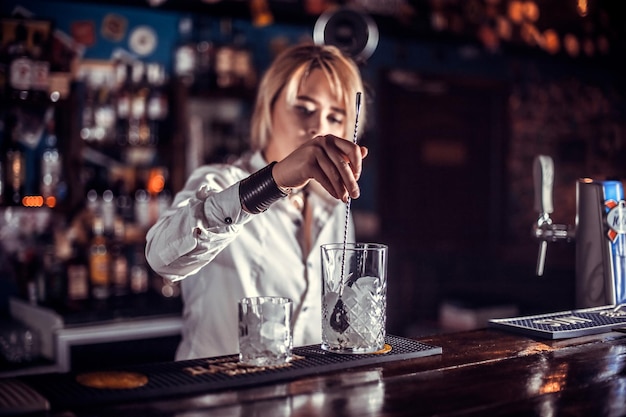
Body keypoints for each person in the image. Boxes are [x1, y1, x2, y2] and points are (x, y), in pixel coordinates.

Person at [145, 43, 369, 360]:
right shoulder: (219, 181)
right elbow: (160, 258)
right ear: (268, 107)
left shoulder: (332, 207)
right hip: (217, 399)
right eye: (304, 108)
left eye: (335, 117)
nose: (319, 128)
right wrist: (273, 182)